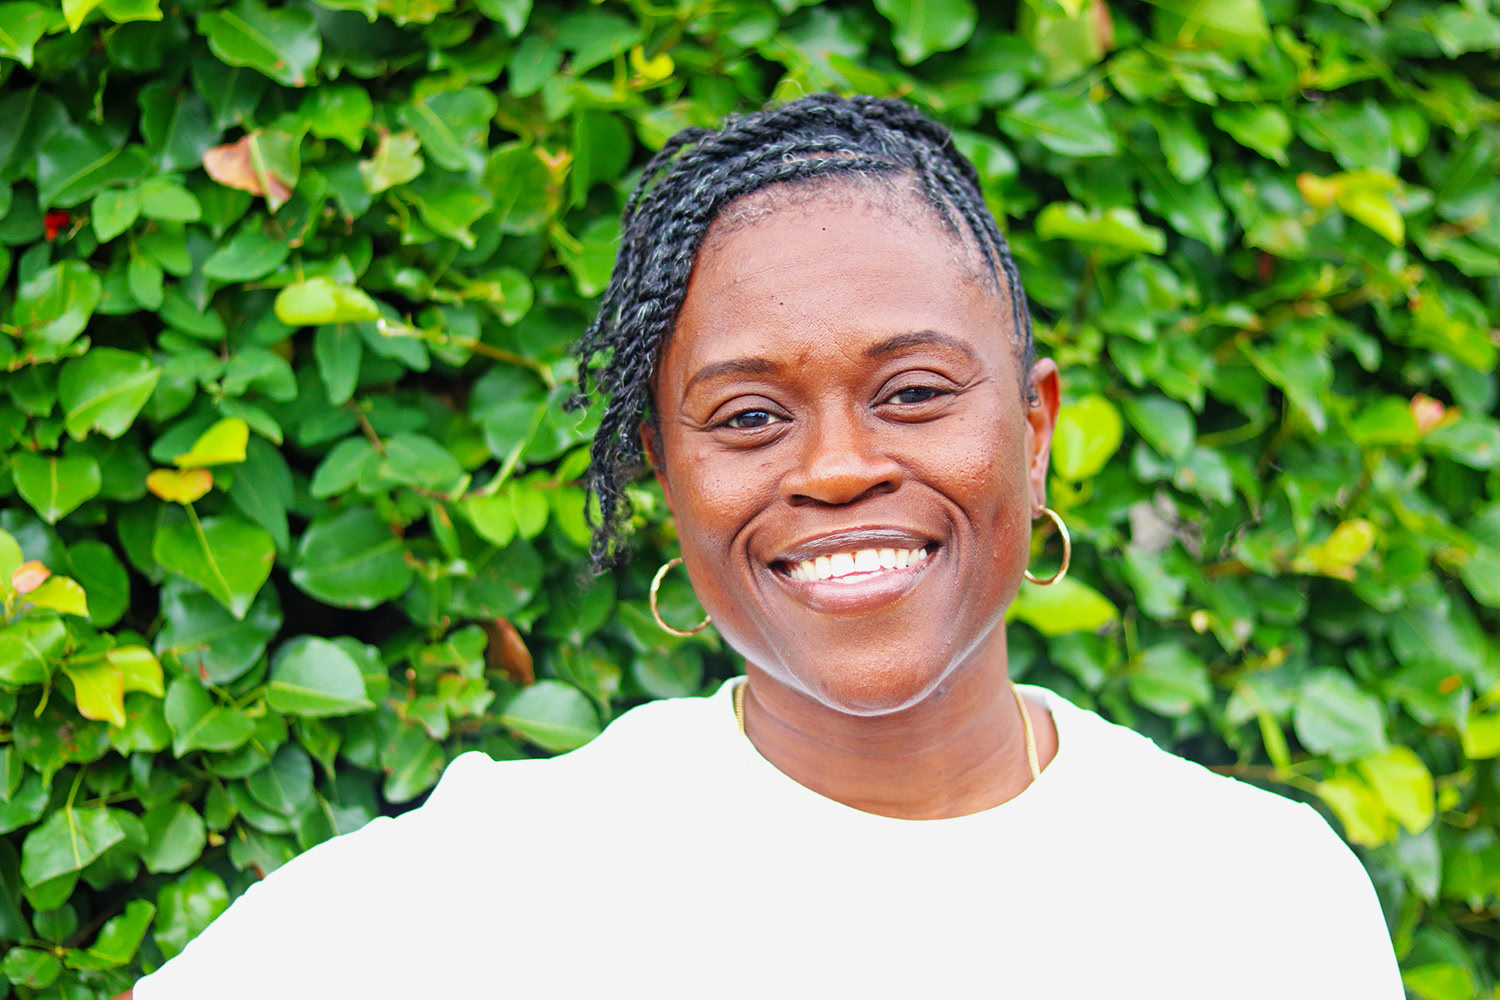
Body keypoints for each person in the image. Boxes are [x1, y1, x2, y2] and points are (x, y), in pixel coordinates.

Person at [124, 94, 1402, 999]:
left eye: (912, 391)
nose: (839, 466)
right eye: (748, 417)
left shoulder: (1260, 895)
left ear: (1034, 425)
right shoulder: (504, 885)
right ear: (668, 477)